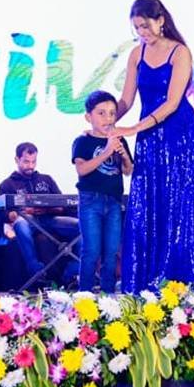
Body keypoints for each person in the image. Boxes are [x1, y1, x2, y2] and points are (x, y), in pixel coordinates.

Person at [110, 0, 194, 292]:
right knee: (151, 201)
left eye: (145, 26)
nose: (142, 32)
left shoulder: (180, 52)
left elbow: (172, 103)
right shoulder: (136, 54)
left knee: (181, 201)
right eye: (137, 28)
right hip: (150, 138)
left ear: (161, 20)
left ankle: (187, 278)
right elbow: (126, 99)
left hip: (179, 135)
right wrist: (107, 119)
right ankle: (152, 278)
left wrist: (134, 128)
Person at [72, 91, 132, 292]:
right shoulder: (83, 141)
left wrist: (124, 157)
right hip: (91, 201)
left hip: (114, 201)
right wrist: (106, 152)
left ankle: (108, 295)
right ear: (88, 117)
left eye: (112, 113)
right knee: (91, 251)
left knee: (112, 252)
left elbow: (128, 170)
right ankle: (85, 294)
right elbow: (82, 169)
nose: (108, 118)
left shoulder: (119, 139)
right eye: (101, 113)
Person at [0, 142, 79, 282]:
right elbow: (1, 214)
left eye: (33, 161)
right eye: (26, 162)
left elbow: (63, 205)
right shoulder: (7, 184)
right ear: (17, 160)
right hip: (28, 221)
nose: (30, 166)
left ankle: (75, 267)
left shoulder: (46, 180)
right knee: (20, 223)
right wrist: (20, 213)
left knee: (82, 225)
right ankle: (35, 268)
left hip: (50, 219)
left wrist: (48, 208)